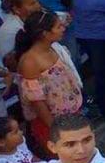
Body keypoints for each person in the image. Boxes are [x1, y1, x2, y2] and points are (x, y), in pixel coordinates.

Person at [16, 11, 83, 152]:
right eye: (58, 26)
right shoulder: (30, 62)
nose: (63, 28)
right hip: (53, 123)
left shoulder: (52, 48)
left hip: (71, 115)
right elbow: (37, 102)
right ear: (45, 34)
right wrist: (55, 130)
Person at [0, 0, 41, 65]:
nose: (38, 6)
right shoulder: (10, 31)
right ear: (16, 9)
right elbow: (12, 63)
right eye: (32, 4)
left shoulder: (31, 19)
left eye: (37, 1)